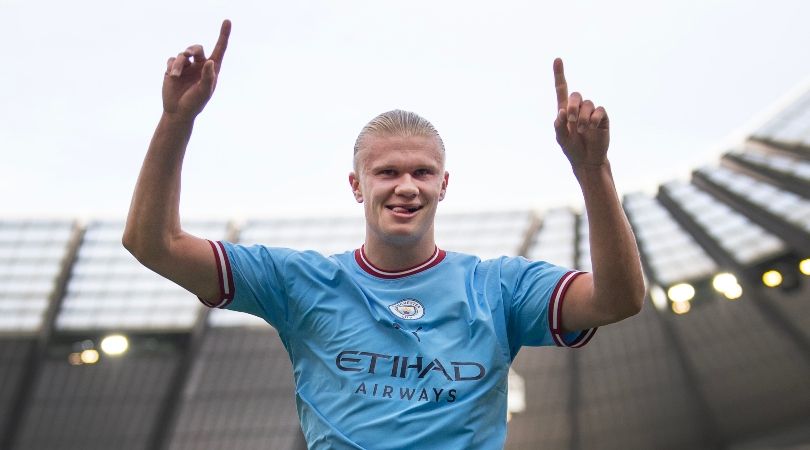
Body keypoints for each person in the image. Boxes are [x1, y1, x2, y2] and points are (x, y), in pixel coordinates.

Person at [123, 19, 645, 450]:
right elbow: (154, 244)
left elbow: (618, 299)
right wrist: (176, 118)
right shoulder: (299, 282)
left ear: (444, 185)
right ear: (357, 185)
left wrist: (592, 171)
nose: (406, 188)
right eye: (388, 172)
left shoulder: (499, 288)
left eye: (421, 173)